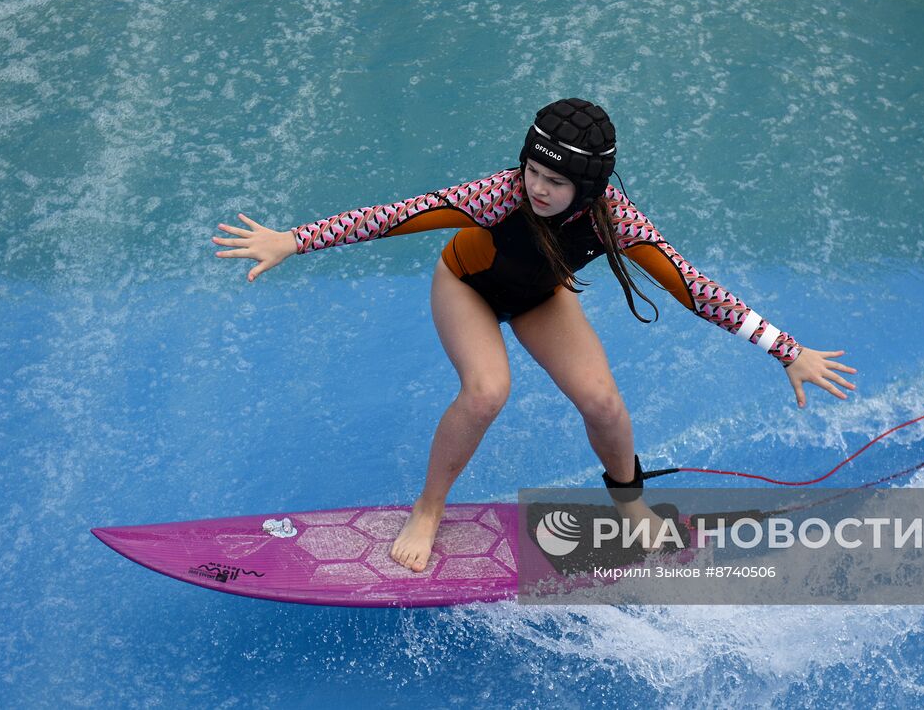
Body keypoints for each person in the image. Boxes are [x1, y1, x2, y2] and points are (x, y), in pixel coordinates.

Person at [211, 98, 857, 572]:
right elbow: (395, 216)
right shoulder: (499, 195)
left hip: (540, 296)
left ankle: (630, 504)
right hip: (466, 287)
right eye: (533, 173)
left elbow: (693, 287)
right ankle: (429, 509)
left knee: (604, 401)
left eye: (555, 182)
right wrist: (292, 241)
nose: (538, 189)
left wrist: (786, 351)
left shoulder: (617, 222)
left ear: (590, 190)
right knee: (489, 388)